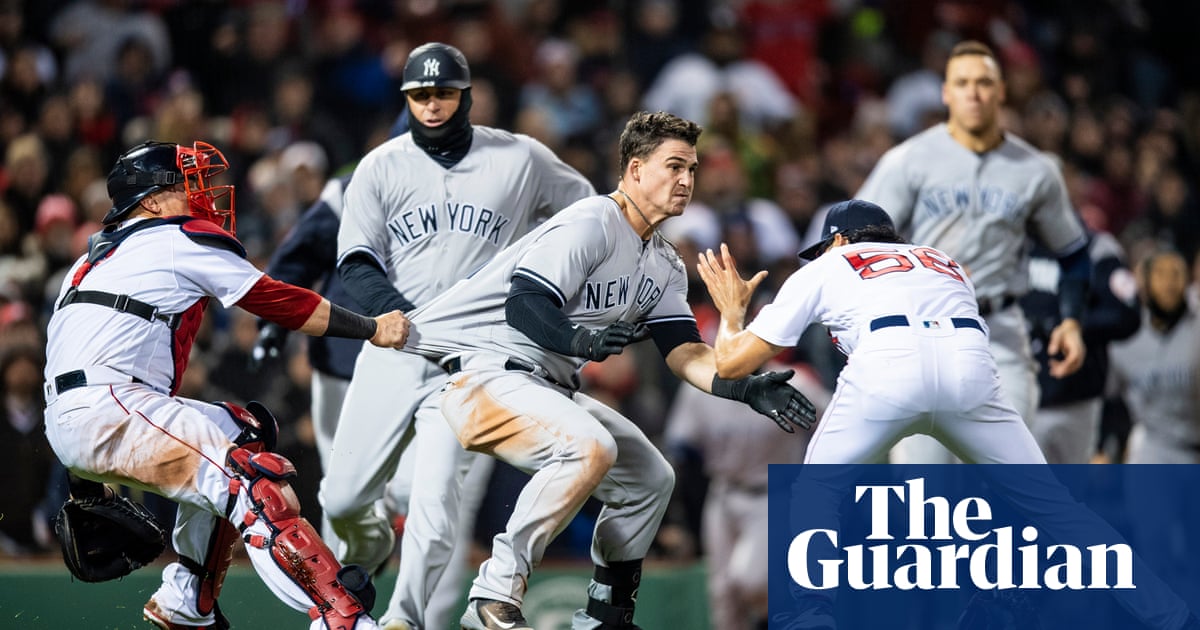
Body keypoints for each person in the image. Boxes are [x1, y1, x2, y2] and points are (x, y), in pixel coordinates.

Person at [695, 199, 1200, 630]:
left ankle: (812, 616)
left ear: (840, 239)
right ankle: (1169, 615)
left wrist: (733, 314)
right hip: (968, 367)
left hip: (887, 363)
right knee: (1059, 508)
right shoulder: (940, 259)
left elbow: (732, 363)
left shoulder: (830, 264)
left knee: (818, 489)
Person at [402, 110, 816, 630]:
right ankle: (493, 594)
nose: (686, 180)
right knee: (591, 447)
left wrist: (743, 386)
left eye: (692, 168)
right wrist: (582, 339)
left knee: (650, 478)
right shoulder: (592, 220)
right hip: (486, 373)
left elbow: (684, 352)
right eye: (674, 166)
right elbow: (524, 304)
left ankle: (605, 617)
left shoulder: (663, 262)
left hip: (545, 386)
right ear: (635, 169)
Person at [42, 140, 409, 630]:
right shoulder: (172, 237)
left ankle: (187, 598)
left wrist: (83, 478)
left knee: (242, 432)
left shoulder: (88, 262)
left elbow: (72, 365)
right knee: (249, 479)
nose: (203, 195)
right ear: (151, 201)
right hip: (113, 405)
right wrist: (371, 327)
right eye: (186, 184)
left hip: (82, 416)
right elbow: (275, 300)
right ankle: (339, 615)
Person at [317, 42, 597, 630]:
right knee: (340, 498)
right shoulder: (381, 165)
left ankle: (403, 618)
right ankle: (367, 549)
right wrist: (392, 315)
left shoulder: (519, 158)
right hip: (397, 348)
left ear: (465, 95)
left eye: (443, 93)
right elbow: (357, 262)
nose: (433, 104)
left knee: (435, 498)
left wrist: (546, 290)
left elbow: (591, 218)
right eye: (421, 95)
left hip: (477, 359)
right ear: (407, 100)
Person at [854, 40, 1091, 463]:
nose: (974, 93)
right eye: (962, 83)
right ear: (946, 92)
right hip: (920, 335)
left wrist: (1071, 320)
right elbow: (855, 239)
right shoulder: (909, 160)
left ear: (1001, 91)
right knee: (923, 495)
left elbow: (1073, 253)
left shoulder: (1036, 169)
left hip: (999, 334)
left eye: (984, 83)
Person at [1021, 231, 1141, 463]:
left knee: (1070, 493)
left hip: (1078, 400)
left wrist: (1071, 324)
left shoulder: (1095, 246)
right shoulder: (1010, 240)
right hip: (1019, 392)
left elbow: (1126, 312)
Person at [1108, 249, 1200, 463]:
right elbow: (1111, 400)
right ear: (1145, 283)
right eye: (1160, 274)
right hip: (1155, 445)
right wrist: (1110, 443)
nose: (1169, 283)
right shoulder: (1126, 334)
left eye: (1176, 273)